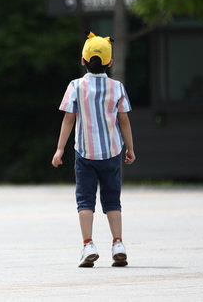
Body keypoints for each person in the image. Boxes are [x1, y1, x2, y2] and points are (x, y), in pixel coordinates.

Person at [51, 32, 135, 268]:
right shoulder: (117, 87)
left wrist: (59, 150)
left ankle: (88, 245)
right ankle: (118, 243)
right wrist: (130, 148)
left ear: (83, 60)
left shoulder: (75, 86)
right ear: (110, 62)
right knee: (112, 201)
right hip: (111, 153)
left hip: (84, 154)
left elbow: (68, 120)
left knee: (85, 201)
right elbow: (124, 121)